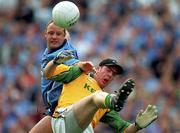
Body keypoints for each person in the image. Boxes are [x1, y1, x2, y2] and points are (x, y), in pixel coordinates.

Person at [42, 56, 158, 133]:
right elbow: (48, 73)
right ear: (97, 69)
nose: (110, 75)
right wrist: (55, 62)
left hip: (82, 129)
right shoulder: (79, 74)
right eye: (108, 70)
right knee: (96, 98)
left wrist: (137, 126)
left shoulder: (104, 101)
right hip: (63, 118)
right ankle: (114, 99)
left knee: (97, 97)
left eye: (113, 74)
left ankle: (114, 100)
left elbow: (123, 129)